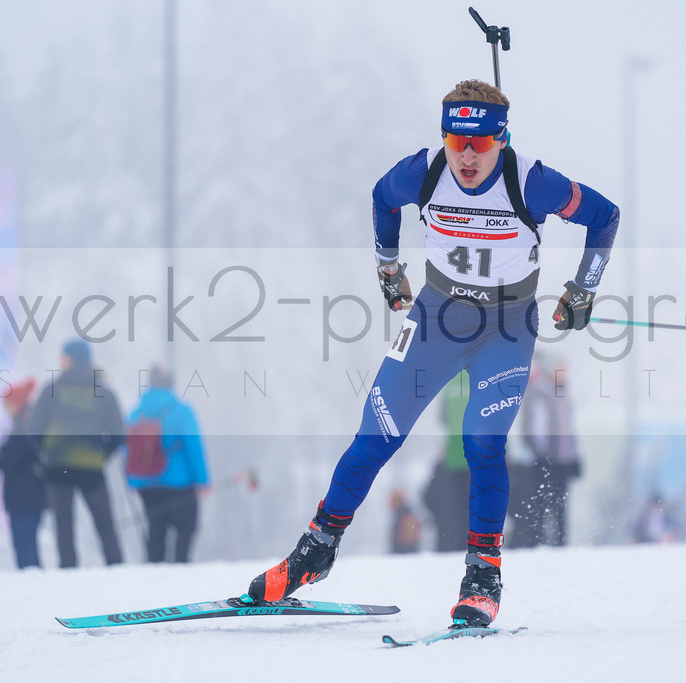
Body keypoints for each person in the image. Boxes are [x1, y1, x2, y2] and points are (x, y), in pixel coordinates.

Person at [245, 79, 619, 628]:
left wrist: (583, 288)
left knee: (482, 443)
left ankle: (483, 576)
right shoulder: (423, 171)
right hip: (433, 320)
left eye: (481, 144)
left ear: (502, 139)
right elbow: (381, 197)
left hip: (507, 329)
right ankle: (317, 550)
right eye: (455, 140)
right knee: (375, 434)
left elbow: (604, 216)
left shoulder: (532, 180)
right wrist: (388, 267)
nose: (467, 156)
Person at [27, 340, 124, 567]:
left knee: (64, 523)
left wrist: (44, 454)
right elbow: (119, 433)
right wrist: (102, 456)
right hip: (92, 466)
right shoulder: (104, 392)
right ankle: (116, 564)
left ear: (69, 359)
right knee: (104, 522)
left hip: (57, 466)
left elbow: (33, 431)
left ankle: (68, 567)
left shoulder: (51, 389)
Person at [126, 365, 210, 563]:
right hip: (181, 484)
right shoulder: (182, 411)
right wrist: (203, 479)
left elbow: (128, 449)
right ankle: (181, 568)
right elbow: (193, 447)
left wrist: (134, 481)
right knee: (186, 529)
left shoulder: (136, 413)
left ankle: (154, 574)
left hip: (147, 484)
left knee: (155, 530)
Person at [508, 353, 581, 547]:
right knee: (540, 506)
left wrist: (574, 456)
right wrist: (541, 455)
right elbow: (535, 428)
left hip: (562, 460)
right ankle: (537, 544)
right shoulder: (540, 392)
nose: (565, 373)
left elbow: (568, 428)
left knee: (560, 507)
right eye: (561, 368)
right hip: (545, 461)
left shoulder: (562, 394)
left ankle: (559, 545)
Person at [0, 378, 46, 568]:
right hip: (33, 494)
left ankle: (31, 582)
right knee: (29, 544)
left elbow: (12, 462)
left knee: (24, 545)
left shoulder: (21, 427)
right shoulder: (30, 422)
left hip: (23, 496)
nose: (5, 408)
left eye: (7, 404)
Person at [422, 371, 473, 552]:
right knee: (473, 505)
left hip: (454, 455)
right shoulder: (482, 376)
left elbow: (443, 418)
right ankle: (471, 544)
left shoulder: (449, 380)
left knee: (454, 505)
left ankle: (455, 543)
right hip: (478, 454)